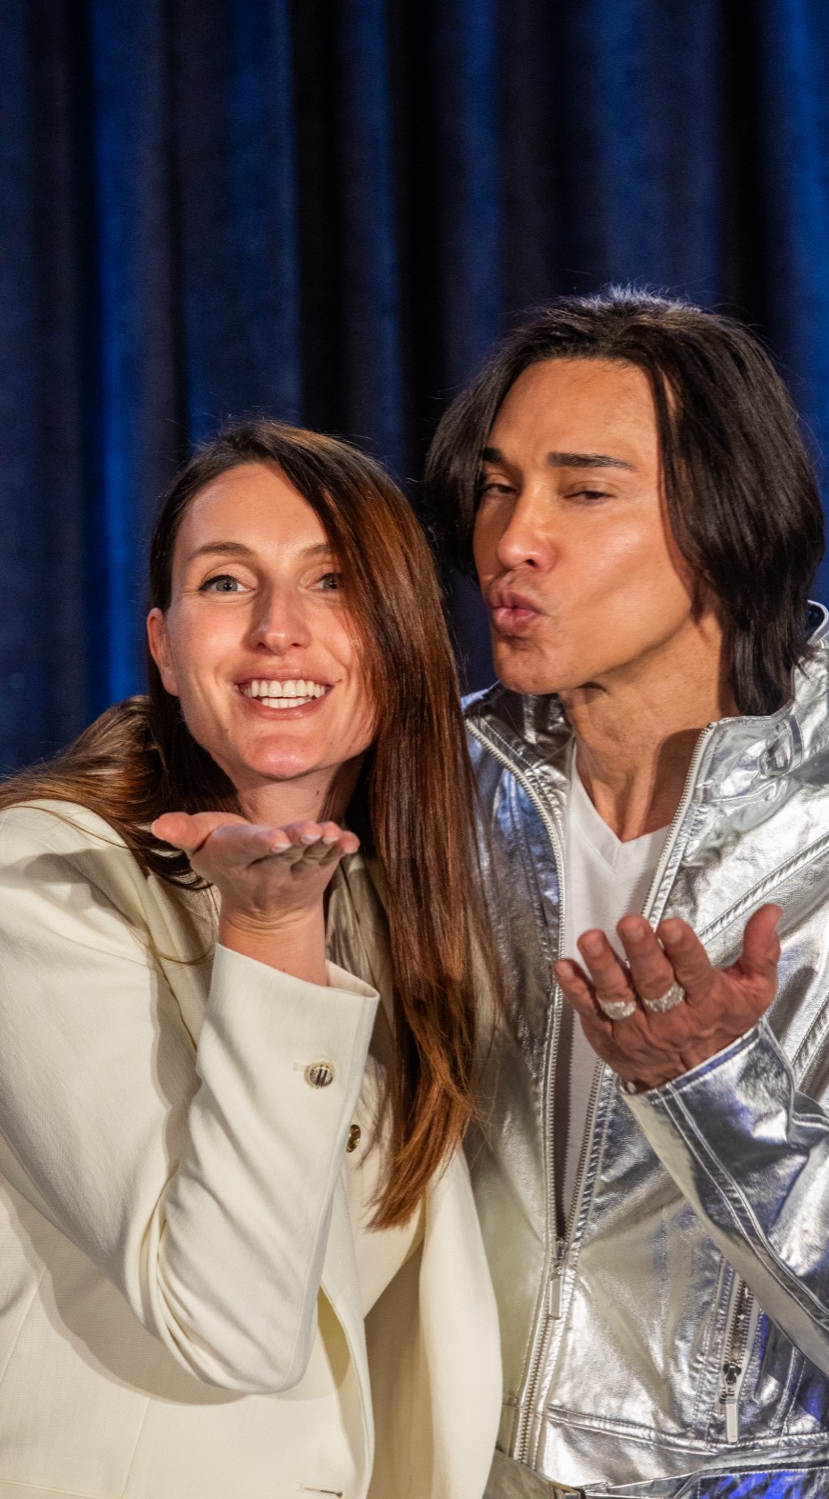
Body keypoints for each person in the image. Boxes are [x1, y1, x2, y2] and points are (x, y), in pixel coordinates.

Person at [424, 290, 829, 1499]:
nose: (511, 538)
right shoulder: (429, 787)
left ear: (725, 522)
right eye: (498, 486)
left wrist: (716, 1089)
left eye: (584, 491)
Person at [0, 419, 501, 1499]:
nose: (279, 630)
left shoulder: (406, 905)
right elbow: (225, 1325)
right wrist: (268, 938)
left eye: (333, 582)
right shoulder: (38, 887)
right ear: (165, 646)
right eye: (226, 583)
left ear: (403, 638)